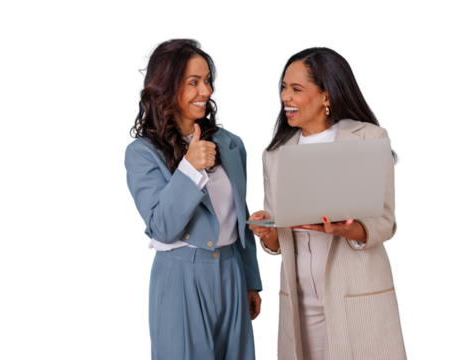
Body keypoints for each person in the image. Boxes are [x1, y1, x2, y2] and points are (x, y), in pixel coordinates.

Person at [248, 45, 406, 360]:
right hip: (300, 300)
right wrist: (268, 234)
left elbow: (386, 224)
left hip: (355, 295)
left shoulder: (370, 138)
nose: (284, 97)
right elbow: (280, 238)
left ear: (326, 96)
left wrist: (349, 230)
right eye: (283, 88)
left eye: (296, 89)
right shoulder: (274, 154)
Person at [124, 38, 264, 360]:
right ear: (167, 87)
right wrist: (189, 167)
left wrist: (251, 280)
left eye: (207, 81)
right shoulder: (141, 153)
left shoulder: (231, 142)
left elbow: (238, 215)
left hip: (231, 271)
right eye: (193, 82)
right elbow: (162, 227)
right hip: (180, 279)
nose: (206, 91)